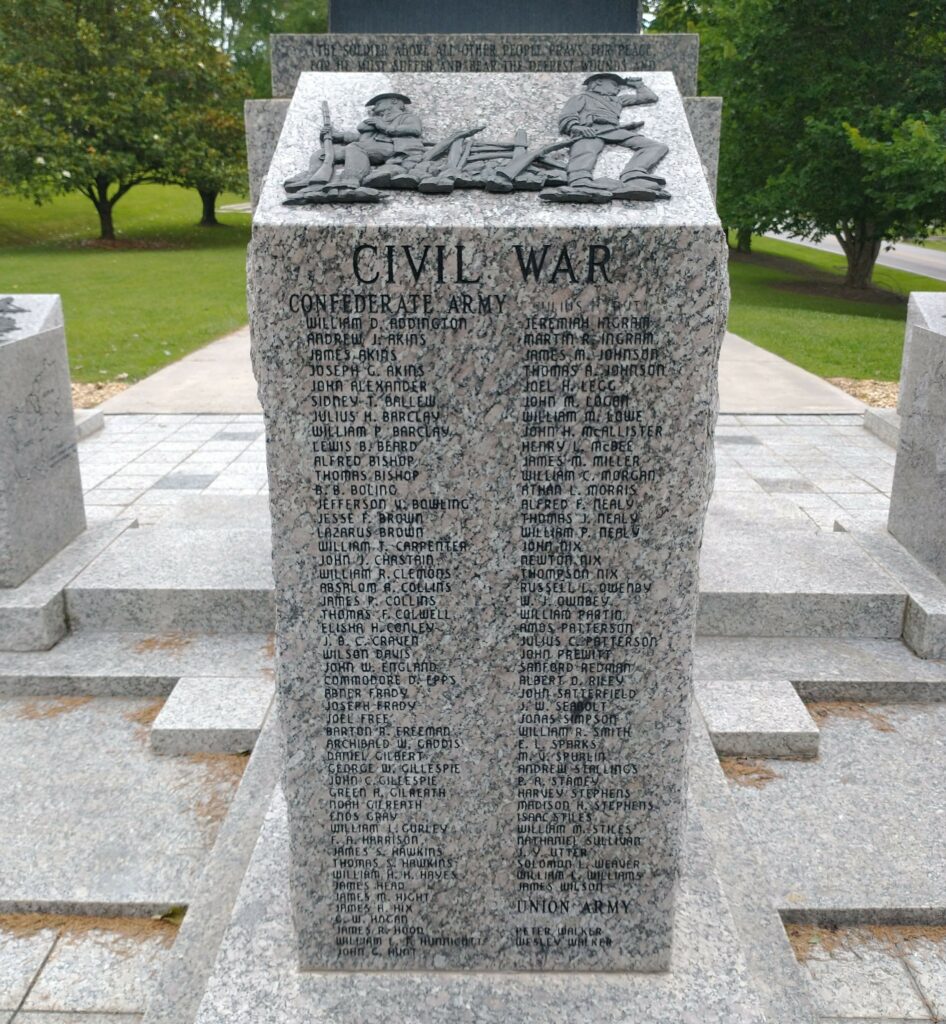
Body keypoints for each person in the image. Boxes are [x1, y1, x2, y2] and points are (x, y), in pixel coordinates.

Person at [558, 73, 668, 195]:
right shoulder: (582, 97)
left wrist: (639, 85)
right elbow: (568, 114)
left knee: (655, 146)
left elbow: (649, 97)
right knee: (586, 151)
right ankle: (579, 181)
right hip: (590, 129)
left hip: (612, 129)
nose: (618, 88)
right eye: (614, 84)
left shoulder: (617, 100)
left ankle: (634, 175)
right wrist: (576, 127)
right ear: (599, 82)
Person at [323, 93, 425, 188]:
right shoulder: (378, 120)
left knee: (356, 147)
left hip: (396, 148)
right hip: (376, 147)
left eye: (378, 103)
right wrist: (338, 136)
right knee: (324, 154)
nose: (374, 107)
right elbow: (365, 139)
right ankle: (314, 182)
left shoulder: (407, 117)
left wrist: (384, 127)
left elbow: (415, 130)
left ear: (394, 101)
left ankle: (350, 180)